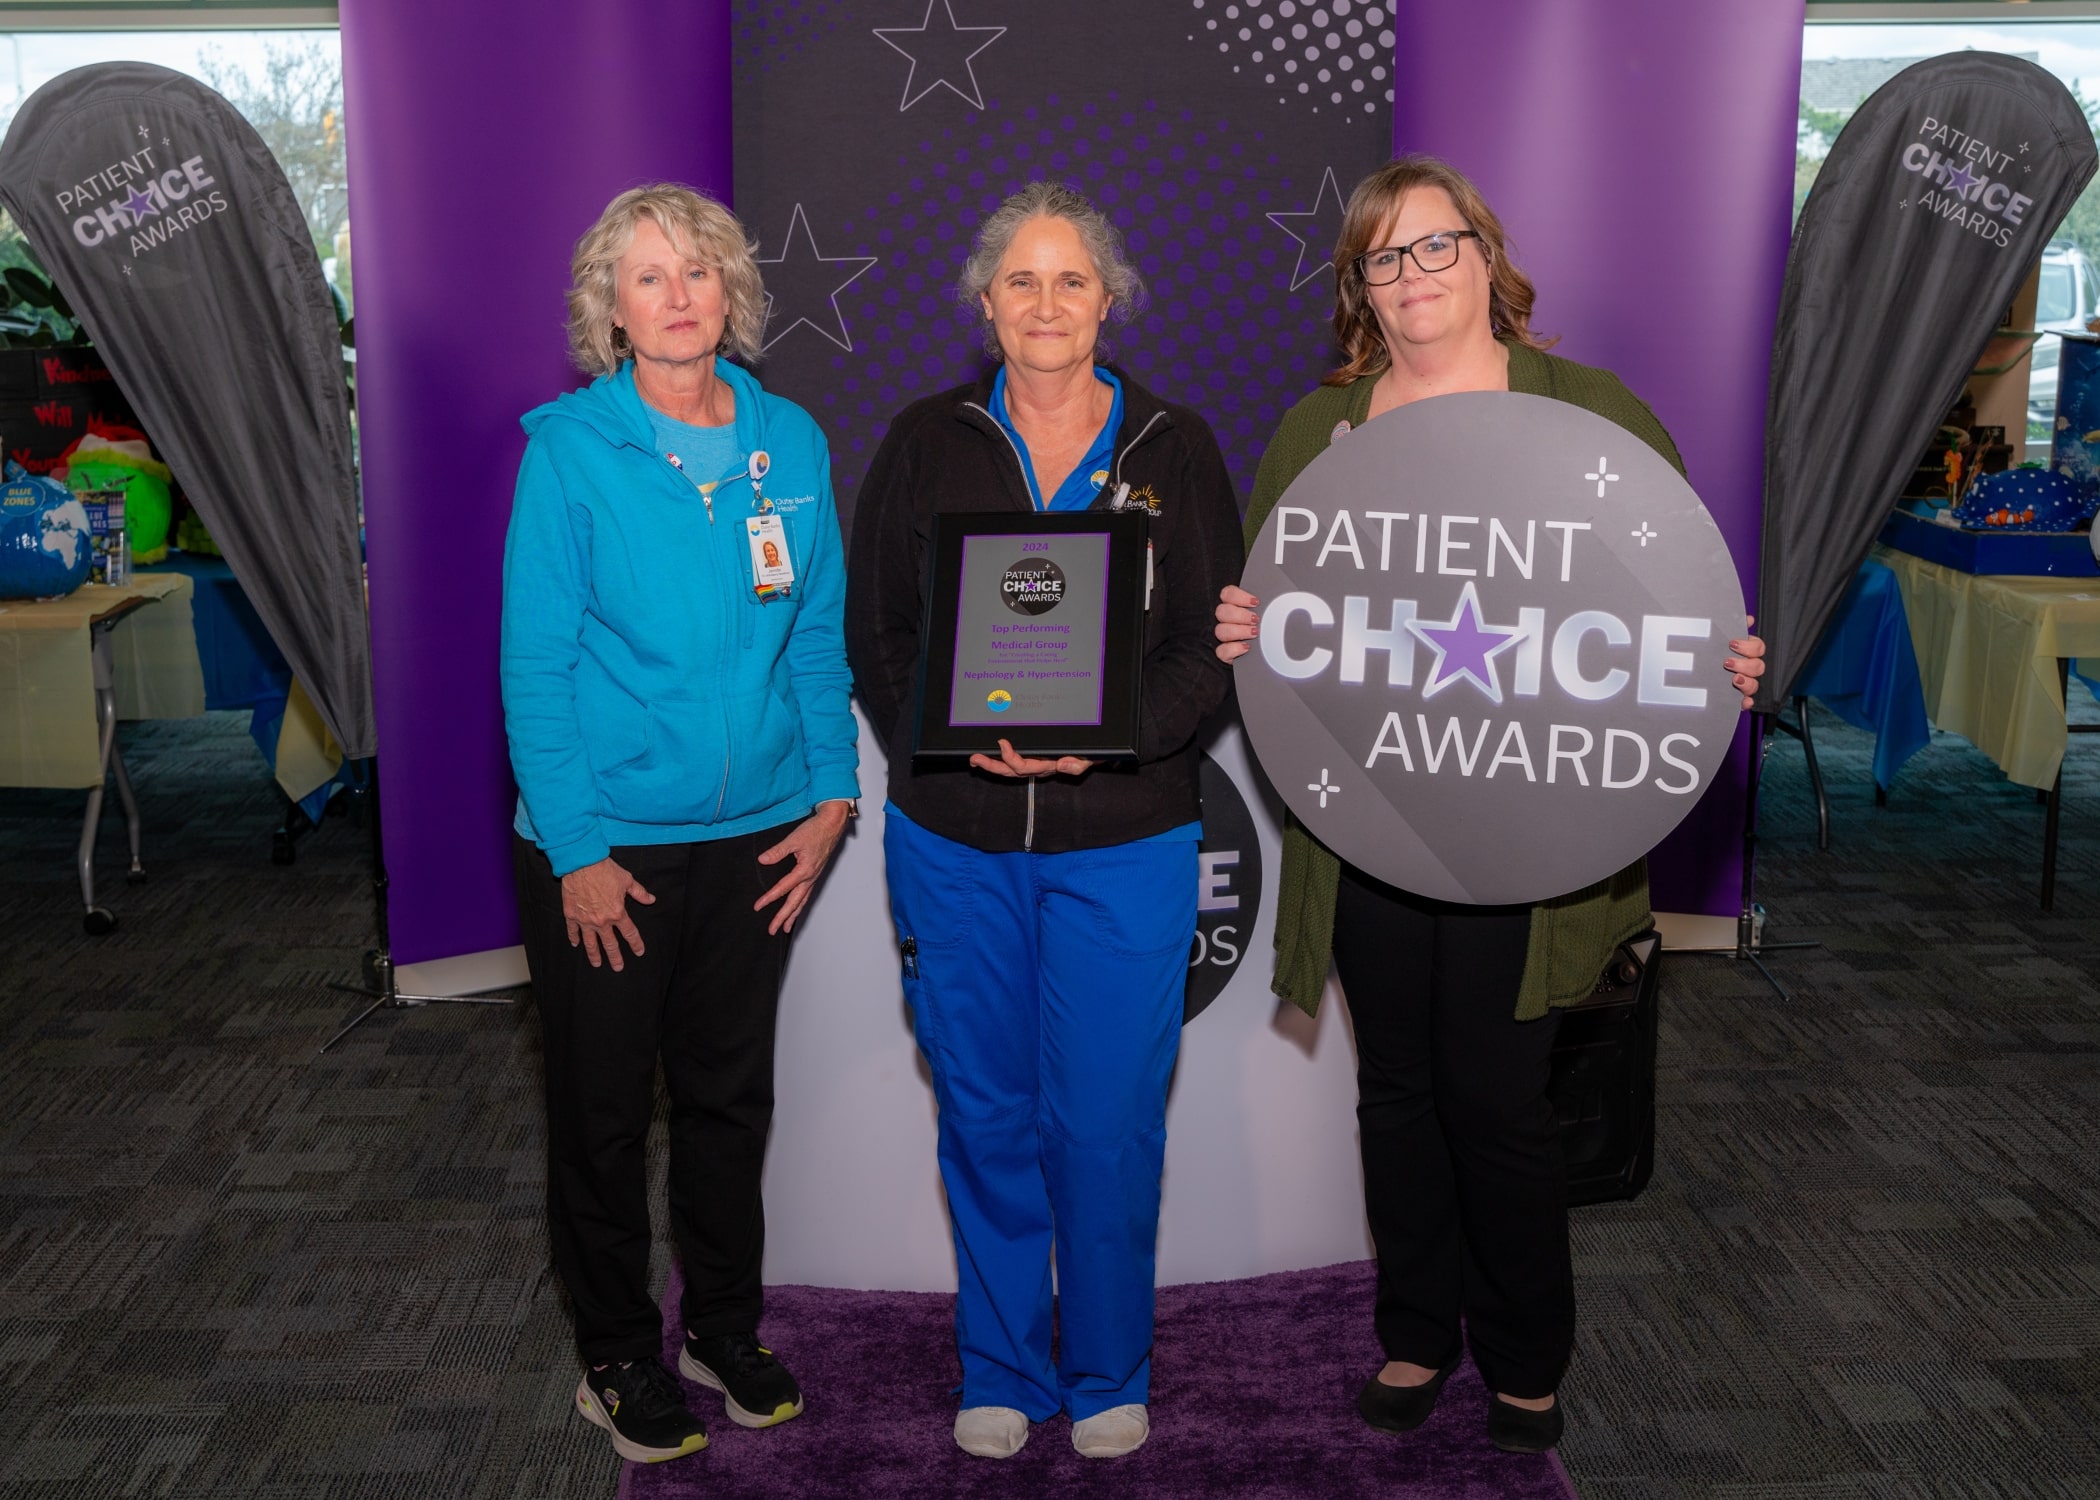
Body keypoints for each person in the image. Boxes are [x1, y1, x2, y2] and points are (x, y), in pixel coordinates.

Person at [1213, 155, 1766, 1455]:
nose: (1412, 278)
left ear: (1486, 253)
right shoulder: (1319, 428)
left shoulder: (1590, 412)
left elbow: (1671, 606)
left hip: (1534, 832)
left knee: (1500, 1100)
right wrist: (1246, 622)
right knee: (1395, 1090)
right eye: (1382, 259)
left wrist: (1717, 662)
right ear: (1359, 287)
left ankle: (1525, 1355)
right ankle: (1416, 1333)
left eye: (1434, 247)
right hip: (1373, 829)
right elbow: (1278, 617)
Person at [845, 181, 1244, 1461]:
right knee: (986, 1112)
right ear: (984, 305)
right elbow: (880, 637)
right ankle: (1004, 1365)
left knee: (1108, 1121)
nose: (1046, 305)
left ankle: (1109, 1367)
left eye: (1071, 281)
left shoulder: (1175, 446)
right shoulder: (925, 440)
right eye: (1021, 281)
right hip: (956, 840)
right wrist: (957, 734)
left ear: (1109, 301)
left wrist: (1106, 736)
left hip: (1126, 841)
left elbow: (1207, 650)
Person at [501, 184, 859, 1464]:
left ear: (732, 292)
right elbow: (535, 668)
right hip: (609, 845)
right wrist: (581, 851)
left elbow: (814, 635)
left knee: (726, 1100)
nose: (678, 294)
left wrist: (832, 800)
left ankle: (721, 1323)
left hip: (763, 833)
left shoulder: (793, 443)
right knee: (601, 1111)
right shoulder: (569, 452)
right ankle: (613, 1353)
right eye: (647, 276)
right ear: (611, 308)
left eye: (698, 269)